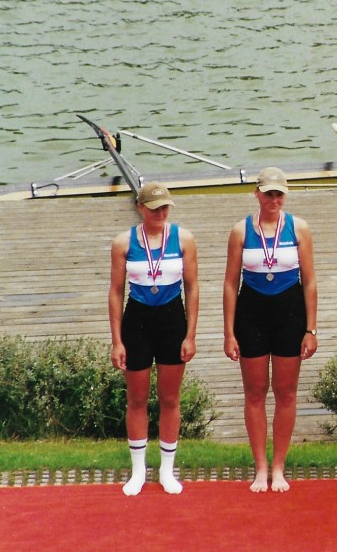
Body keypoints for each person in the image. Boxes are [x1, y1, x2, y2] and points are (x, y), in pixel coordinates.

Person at [223, 167, 318, 493]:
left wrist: (311, 329)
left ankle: (279, 466)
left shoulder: (299, 228)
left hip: (289, 313)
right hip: (251, 313)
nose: (273, 199)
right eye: (268, 193)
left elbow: (310, 282)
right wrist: (228, 332)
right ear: (257, 194)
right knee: (255, 392)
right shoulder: (240, 231)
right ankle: (260, 468)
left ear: (285, 195)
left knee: (286, 392)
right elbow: (229, 283)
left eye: (279, 194)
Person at [108, 182, 199, 496]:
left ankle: (166, 470)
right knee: (137, 398)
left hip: (172, 319)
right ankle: (137, 471)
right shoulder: (123, 242)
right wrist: (117, 341)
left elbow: (193, 288)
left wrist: (190, 335)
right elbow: (116, 292)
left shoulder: (184, 239)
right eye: (154, 208)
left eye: (165, 208)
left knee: (170, 398)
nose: (161, 213)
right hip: (138, 320)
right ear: (140, 208)